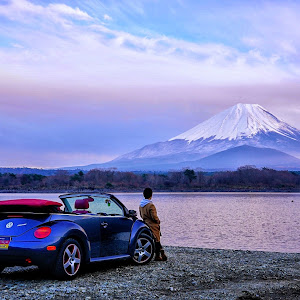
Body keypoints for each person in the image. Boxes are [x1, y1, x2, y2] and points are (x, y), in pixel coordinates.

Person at [139, 188, 167, 261]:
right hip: (152, 224)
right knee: (157, 240)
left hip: (145, 223)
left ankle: (159, 253)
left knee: (150, 239)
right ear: (151, 195)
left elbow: (141, 215)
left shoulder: (141, 204)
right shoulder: (151, 205)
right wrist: (158, 220)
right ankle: (158, 255)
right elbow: (154, 216)